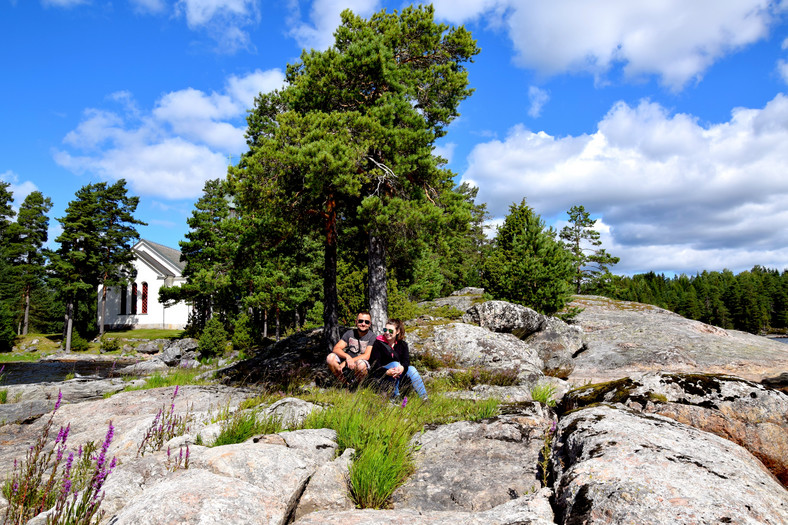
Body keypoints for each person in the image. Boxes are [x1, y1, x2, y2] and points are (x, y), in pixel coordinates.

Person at [368, 318, 428, 400]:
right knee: (395, 364)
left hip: (399, 375)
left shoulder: (403, 345)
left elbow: (406, 361)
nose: (387, 333)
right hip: (383, 375)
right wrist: (386, 372)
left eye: (391, 331)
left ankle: (424, 398)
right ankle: (395, 397)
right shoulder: (378, 343)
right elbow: (374, 364)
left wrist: (403, 367)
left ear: (398, 331)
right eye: (385, 330)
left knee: (412, 369)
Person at [326, 311, 376, 385]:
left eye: (366, 322)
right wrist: (347, 357)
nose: (363, 324)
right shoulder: (349, 333)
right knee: (330, 358)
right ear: (356, 322)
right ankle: (345, 384)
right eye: (360, 321)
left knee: (360, 364)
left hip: (361, 363)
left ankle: (359, 387)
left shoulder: (372, 336)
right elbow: (336, 348)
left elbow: (367, 355)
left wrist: (348, 361)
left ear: (370, 324)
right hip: (349, 360)